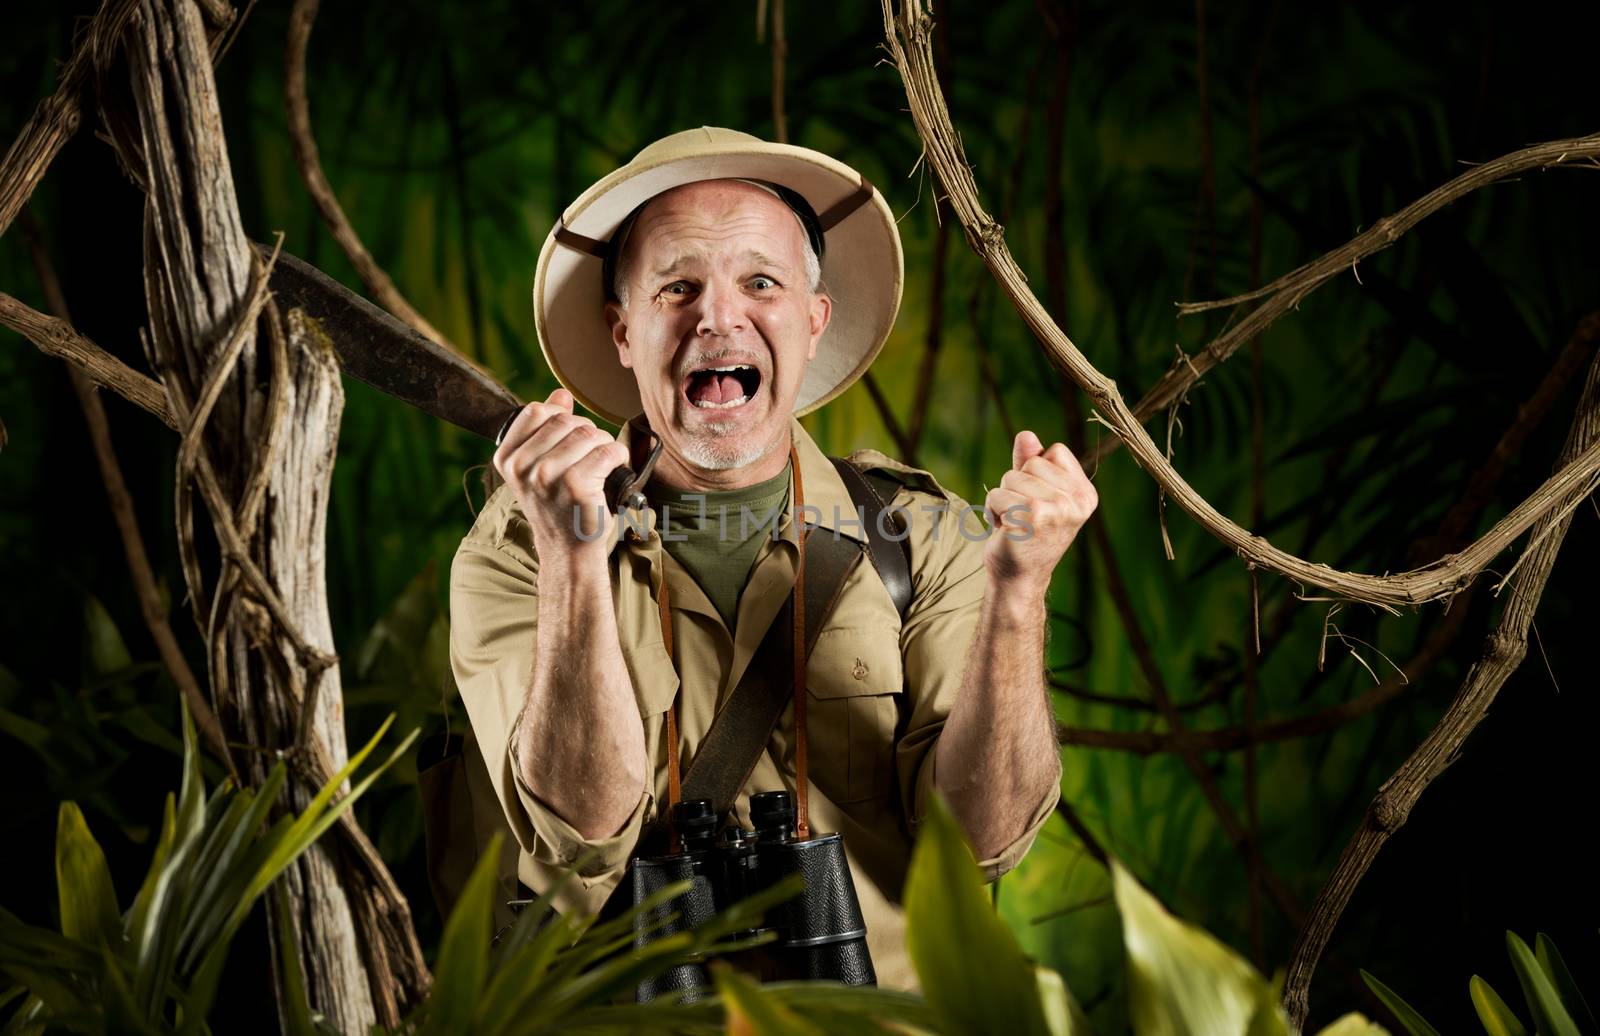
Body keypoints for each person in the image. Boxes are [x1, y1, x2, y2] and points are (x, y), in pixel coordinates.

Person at [448, 127, 1097, 989]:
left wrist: (1019, 594)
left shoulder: (930, 541)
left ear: (814, 319)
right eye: (678, 287)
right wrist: (575, 561)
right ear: (623, 332)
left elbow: (978, 844)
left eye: (761, 281)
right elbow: (581, 836)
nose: (718, 316)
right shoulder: (517, 551)